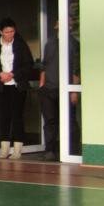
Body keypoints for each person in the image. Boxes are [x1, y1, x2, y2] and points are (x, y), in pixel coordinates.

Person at [0, 17, 35, 159]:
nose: (10, 34)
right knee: (4, 116)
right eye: (7, 32)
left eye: (12, 31)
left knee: (17, 116)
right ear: (1, 32)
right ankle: (4, 149)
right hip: (1, 86)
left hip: (17, 86)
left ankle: (17, 150)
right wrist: (0, 74)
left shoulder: (20, 44)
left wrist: (13, 74)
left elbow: (28, 64)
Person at [39, 20, 81, 161]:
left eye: (67, 24)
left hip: (67, 89)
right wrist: (42, 85)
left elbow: (76, 69)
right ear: (56, 25)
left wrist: (74, 90)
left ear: (70, 27)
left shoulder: (74, 44)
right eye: (59, 23)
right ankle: (50, 151)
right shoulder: (50, 43)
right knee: (50, 121)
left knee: (70, 120)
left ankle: (72, 152)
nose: (62, 26)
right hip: (49, 88)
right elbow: (44, 65)